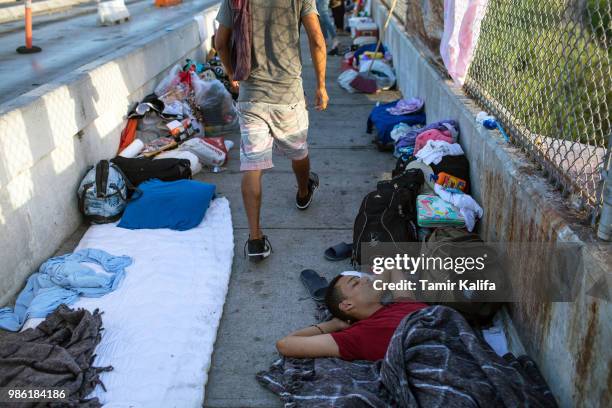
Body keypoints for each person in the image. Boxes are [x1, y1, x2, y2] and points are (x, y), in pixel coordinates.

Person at [215, 1, 329, 261]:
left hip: (251, 95)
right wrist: (321, 86)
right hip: (287, 93)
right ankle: (303, 192)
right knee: (298, 150)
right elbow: (317, 39)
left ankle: (255, 239)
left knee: (252, 164)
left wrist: (232, 73)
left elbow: (220, 42)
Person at [276, 269, 428, 361]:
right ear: (347, 305)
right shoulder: (358, 335)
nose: (365, 279)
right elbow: (285, 344)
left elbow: (392, 270)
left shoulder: (404, 304)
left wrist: (371, 286)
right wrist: (334, 324)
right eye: (355, 283)